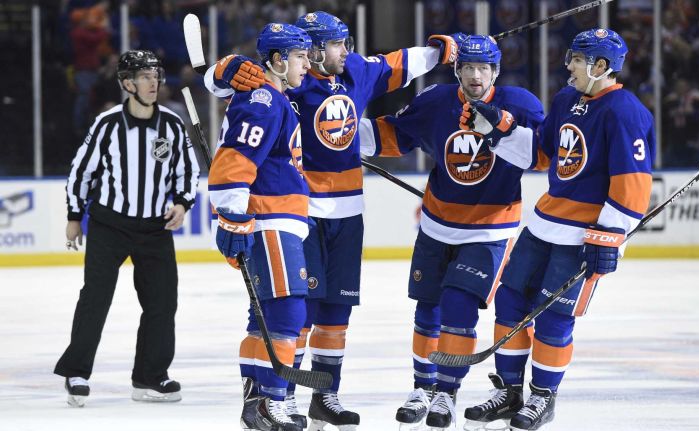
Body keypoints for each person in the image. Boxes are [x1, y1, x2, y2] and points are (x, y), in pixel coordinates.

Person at [204, 11, 461, 430]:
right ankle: (278, 397)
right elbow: (225, 91)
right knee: (294, 312)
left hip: (345, 212)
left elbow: (397, 64)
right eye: (339, 44)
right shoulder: (288, 80)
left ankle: (324, 395)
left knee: (335, 313)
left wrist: (440, 50)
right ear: (314, 50)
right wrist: (226, 70)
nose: (348, 51)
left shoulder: (352, 70)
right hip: (298, 212)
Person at [461, 28, 655, 430]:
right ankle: (510, 392)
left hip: (580, 237)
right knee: (510, 303)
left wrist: (609, 237)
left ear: (601, 67)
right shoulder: (569, 98)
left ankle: (542, 398)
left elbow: (633, 185)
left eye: (577, 59)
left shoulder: (625, 111)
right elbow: (543, 154)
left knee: (553, 321)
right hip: (543, 225)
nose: (568, 65)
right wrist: (497, 131)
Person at [357, 35, 544, 429]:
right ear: (457, 70)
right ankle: (423, 387)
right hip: (436, 224)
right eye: (468, 68)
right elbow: (393, 134)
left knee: (458, 308)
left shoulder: (521, 105)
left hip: (489, 229)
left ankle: (447, 393)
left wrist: (503, 130)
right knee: (427, 310)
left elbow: (543, 155)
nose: (476, 77)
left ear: (496, 71)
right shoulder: (437, 101)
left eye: (484, 69)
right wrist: (334, 135)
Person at [56, 49, 200, 407]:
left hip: (155, 228)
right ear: (126, 83)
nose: (154, 83)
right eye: (145, 76)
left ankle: (149, 378)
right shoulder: (106, 124)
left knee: (162, 303)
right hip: (109, 225)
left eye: (156, 75)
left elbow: (188, 171)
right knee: (95, 299)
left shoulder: (171, 124)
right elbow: (81, 172)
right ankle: (77, 372)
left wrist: (182, 202)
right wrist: (75, 217)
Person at [207, 23, 312, 431]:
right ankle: (273, 400)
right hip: (269, 220)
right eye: (300, 57)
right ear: (277, 61)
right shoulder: (265, 100)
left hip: (273, 220)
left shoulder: (273, 98)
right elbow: (233, 163)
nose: (308, 63)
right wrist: (232, 218)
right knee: (287, 311)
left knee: (265, 316)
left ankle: (256, 403)